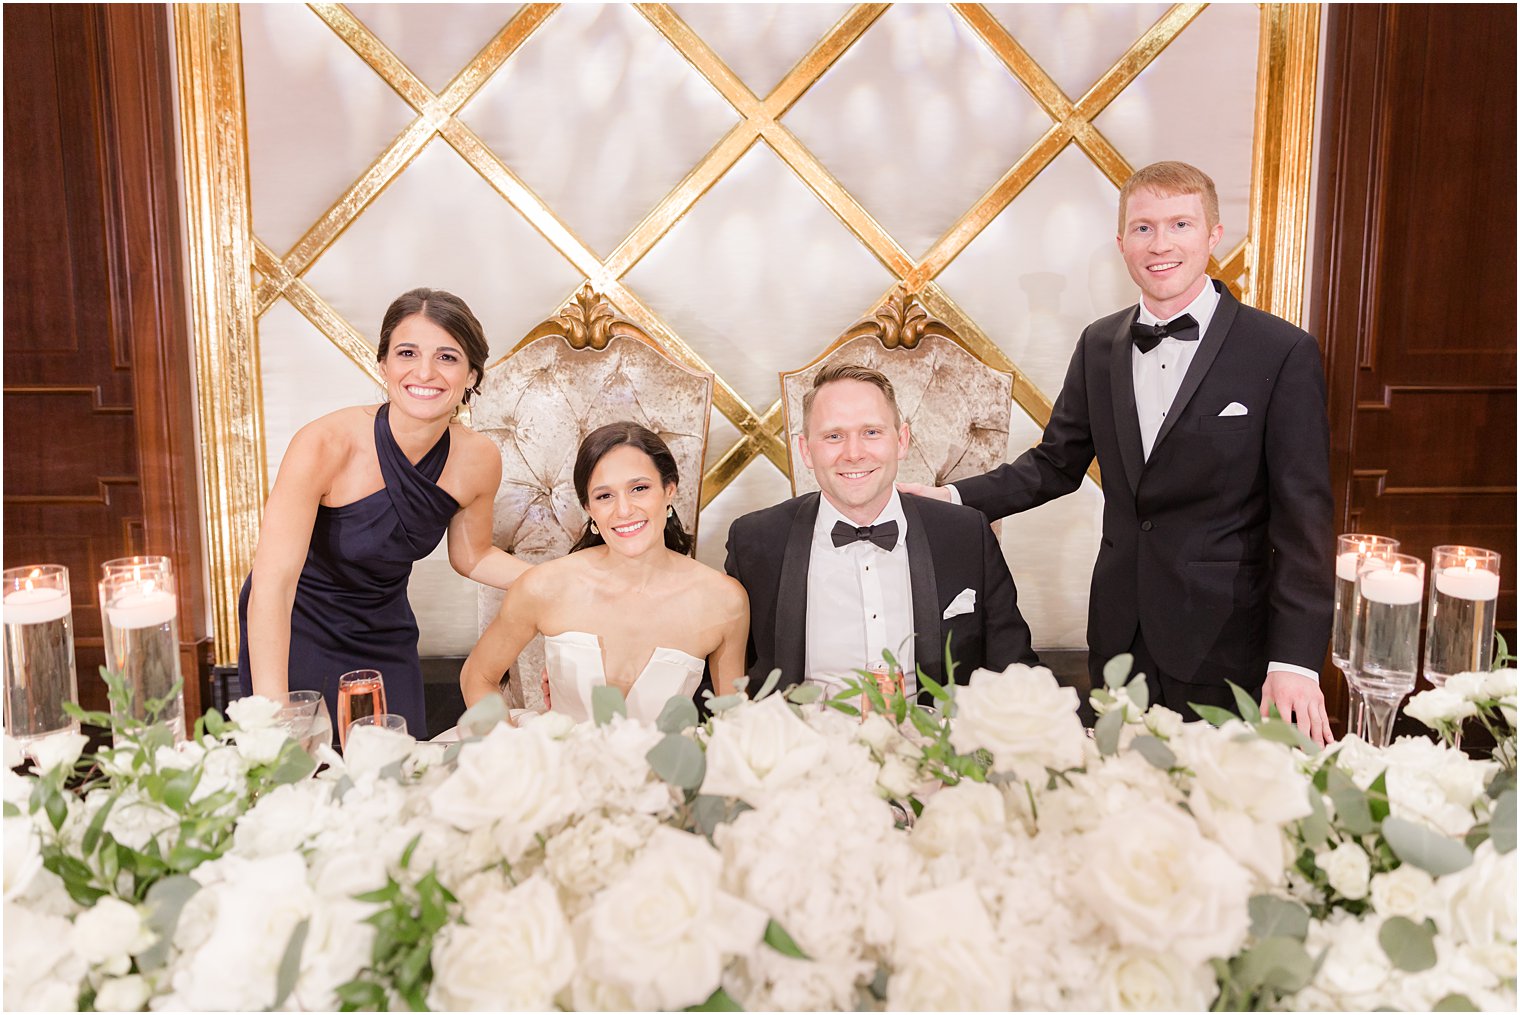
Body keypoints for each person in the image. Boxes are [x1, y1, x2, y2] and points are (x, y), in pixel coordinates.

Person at [902, 161, 1335, 744]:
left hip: (1226, 640)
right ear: (1121, 242)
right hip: (1118, 633)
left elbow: (1303, 520)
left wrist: (1296, 661)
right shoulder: (1099, 343)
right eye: (1143, 228)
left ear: (1213, 235)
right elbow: (1055, 464)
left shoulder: (1281, 351)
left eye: (1180, 224)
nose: (1161, 244)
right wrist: (951, 497)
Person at [239, 287, 529, 739]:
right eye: (407, 353)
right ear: (384, 366)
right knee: (308, 784)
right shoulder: (323, 444)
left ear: (472, 375)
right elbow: (272, 586)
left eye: (448, 358)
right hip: (297, 627)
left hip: (385, 632)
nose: (425, 372)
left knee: (395, 777)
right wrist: (275, 712)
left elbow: (471, 555)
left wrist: (552, 579)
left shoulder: (479, 458)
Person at [725, 363, 1039, 700]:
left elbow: (1015, 671)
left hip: (934, 746)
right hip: (807, 745)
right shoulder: (755, 542)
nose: (854, 453)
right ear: (806, 450)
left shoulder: (965, 534)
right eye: (834, 436)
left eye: (871, 432)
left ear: (901, 441)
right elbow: (729, 679)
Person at [460, 422, 749, 723]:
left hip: (664, 769)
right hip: (563, 765)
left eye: (639, 488)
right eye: (604, 496)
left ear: (669, 490)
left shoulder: (724, 601)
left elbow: (734, 722)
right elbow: (477, 676)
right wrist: (518, 754)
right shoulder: (544, 586)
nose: (623, 510)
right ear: (588, 508)